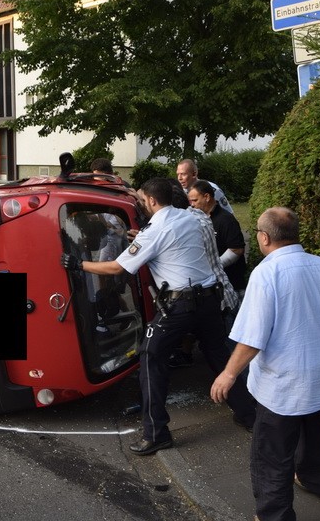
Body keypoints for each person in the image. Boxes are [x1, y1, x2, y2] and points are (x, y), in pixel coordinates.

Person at [60, 178, 256, 456]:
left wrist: (79, 264)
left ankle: (156, 433)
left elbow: (117, 269)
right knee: (220, 356)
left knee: (151, 358)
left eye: (141, 199)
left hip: (181, 306)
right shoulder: (191, 217)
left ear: (151, 200)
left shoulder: (154, 231)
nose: (140, 203)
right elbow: (170, 243)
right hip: (209, 301)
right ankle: (249, 415)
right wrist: (141, 237)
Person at [211, 207, 320, 521]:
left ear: (263, 237)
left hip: (283, 379)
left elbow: (252, 338)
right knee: (314, 429)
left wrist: (228, 375)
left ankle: (274, 520)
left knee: (272, 451)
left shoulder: (267, 273)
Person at [189, 179, 248, 320]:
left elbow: (237, 249)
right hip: (213, 288)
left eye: (195, 200)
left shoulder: (226, 220)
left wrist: (215, 265)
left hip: (232, 285)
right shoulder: (198, 219)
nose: (192, 205)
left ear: (207, 197)